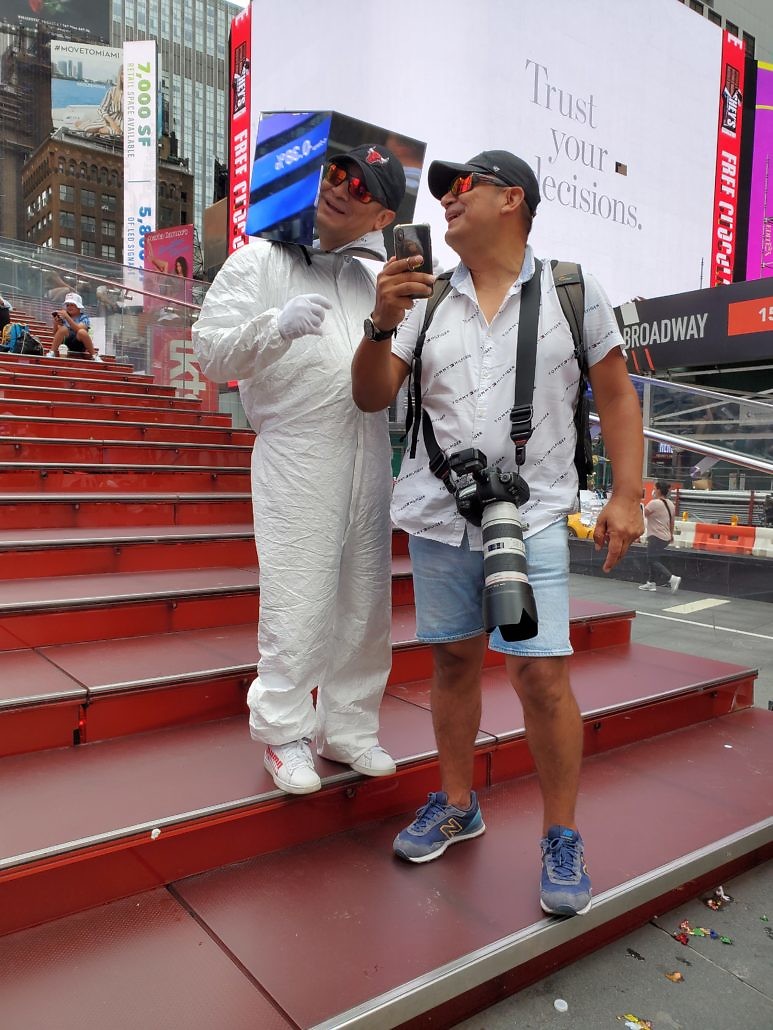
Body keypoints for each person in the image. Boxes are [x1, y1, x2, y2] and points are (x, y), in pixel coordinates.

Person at [351, 149, 644, 917]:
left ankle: (561, 835)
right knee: (451, 664)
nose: (444, 197)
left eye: (461, 186)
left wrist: (626, 493)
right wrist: (380, 322)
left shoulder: (572, 289)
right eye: (441, 189)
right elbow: (369, 394)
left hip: (535, 511)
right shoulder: (424, 298)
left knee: (540, 675)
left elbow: (616, 397)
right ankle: (457, 802)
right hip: (438, 512)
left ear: (511, 198)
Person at [192, 144, 407, 795]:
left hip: (369, 453)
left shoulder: (377, 280)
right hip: (295, 450)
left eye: (360, 187)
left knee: (365, 600)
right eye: (335, 174)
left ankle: (348, 726)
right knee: (298, 597)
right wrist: (272, 327)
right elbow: (208, 351)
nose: (340, 189)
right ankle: (283, 732)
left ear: (382, 213)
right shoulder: (260, 260)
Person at [639, 481, 680, 592]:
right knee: (653, 559)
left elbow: (642, 514)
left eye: (654, 488)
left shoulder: (654, 503)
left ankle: (672, 578)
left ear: (658, 490)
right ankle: (651, 583)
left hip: (656, 536)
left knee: (651, 560)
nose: (653, 491)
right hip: (665, 537)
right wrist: (671, 535)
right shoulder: (670, 504)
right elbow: (672, 522)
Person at [51, 292, 97, 359]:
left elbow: (78, 329)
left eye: (72, 305)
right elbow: (55, 334)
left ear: (78, 306)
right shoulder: (64, 317)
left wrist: (67, 317)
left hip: (79, 344)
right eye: (67, 305)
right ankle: (52, 352)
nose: (69, 307)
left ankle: (94, 355)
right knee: (63, 329)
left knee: (82, 332)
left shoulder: (84, 317)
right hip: (65, 344)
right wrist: (56, 323)